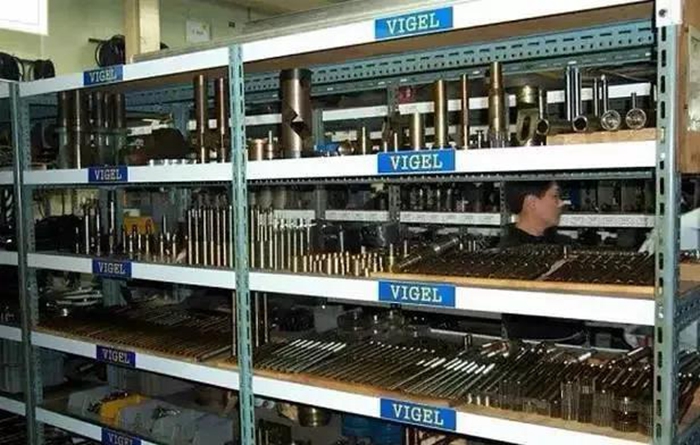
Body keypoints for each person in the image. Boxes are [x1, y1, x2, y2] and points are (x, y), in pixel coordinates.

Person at [499, 180, 586, 343]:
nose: (561, 203)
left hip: (575, 339)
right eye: (555, 196)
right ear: (531, 203)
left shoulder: (566, 245)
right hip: (528, 344)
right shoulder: (507, 252)